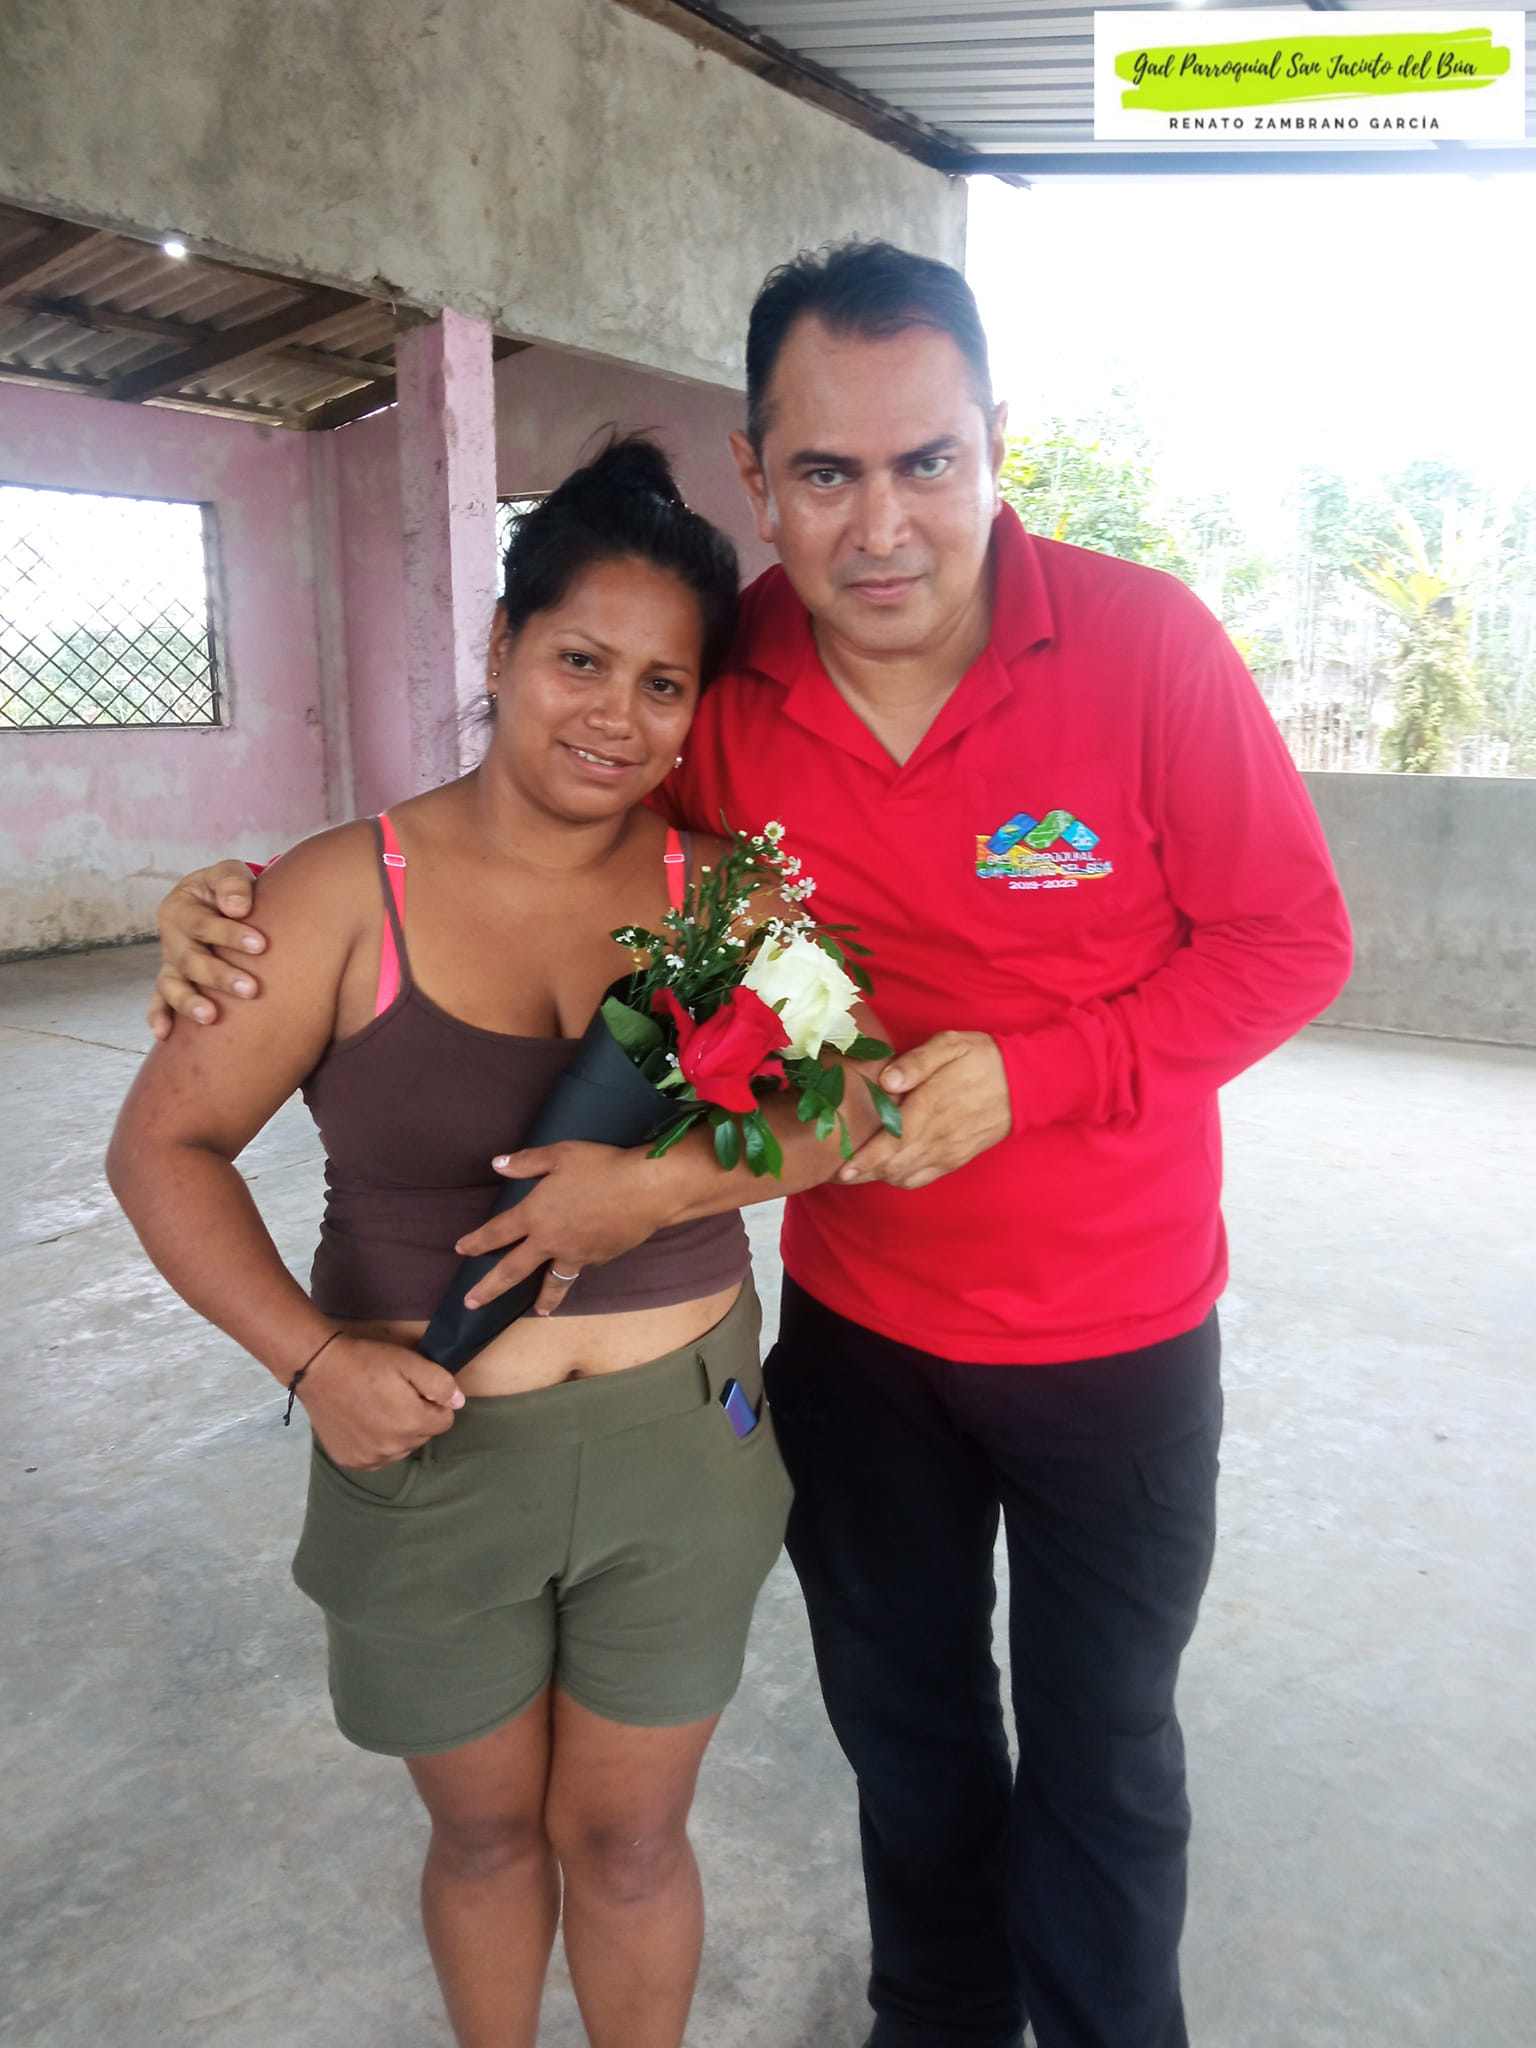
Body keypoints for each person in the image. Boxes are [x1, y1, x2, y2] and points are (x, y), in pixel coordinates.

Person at [151, 245, 1354, 2048]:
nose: (881, 526)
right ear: (756, 474)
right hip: (861, 1338)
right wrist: (240, 904)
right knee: (910, 1735)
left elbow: (1291, 941)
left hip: (1113, 1333)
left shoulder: (1145, 645)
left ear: (995, 442)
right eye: (826, 472)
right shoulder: (725, 676)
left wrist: (1044, 1073)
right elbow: (546, 817)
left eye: (927, 463)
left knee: (1105, 1751)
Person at [109, 436, 890, 2048]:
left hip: (683, 1454)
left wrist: (667, 1190)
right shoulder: (340, 892)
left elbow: (864, 1101)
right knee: (479, 1836)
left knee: (630, 1840)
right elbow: (161, 1147)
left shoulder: (727, 897)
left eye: (663, 685)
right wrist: (310, 1362)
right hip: (430, 1454)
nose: (615, 716)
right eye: (579, 660)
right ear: (501, 645)